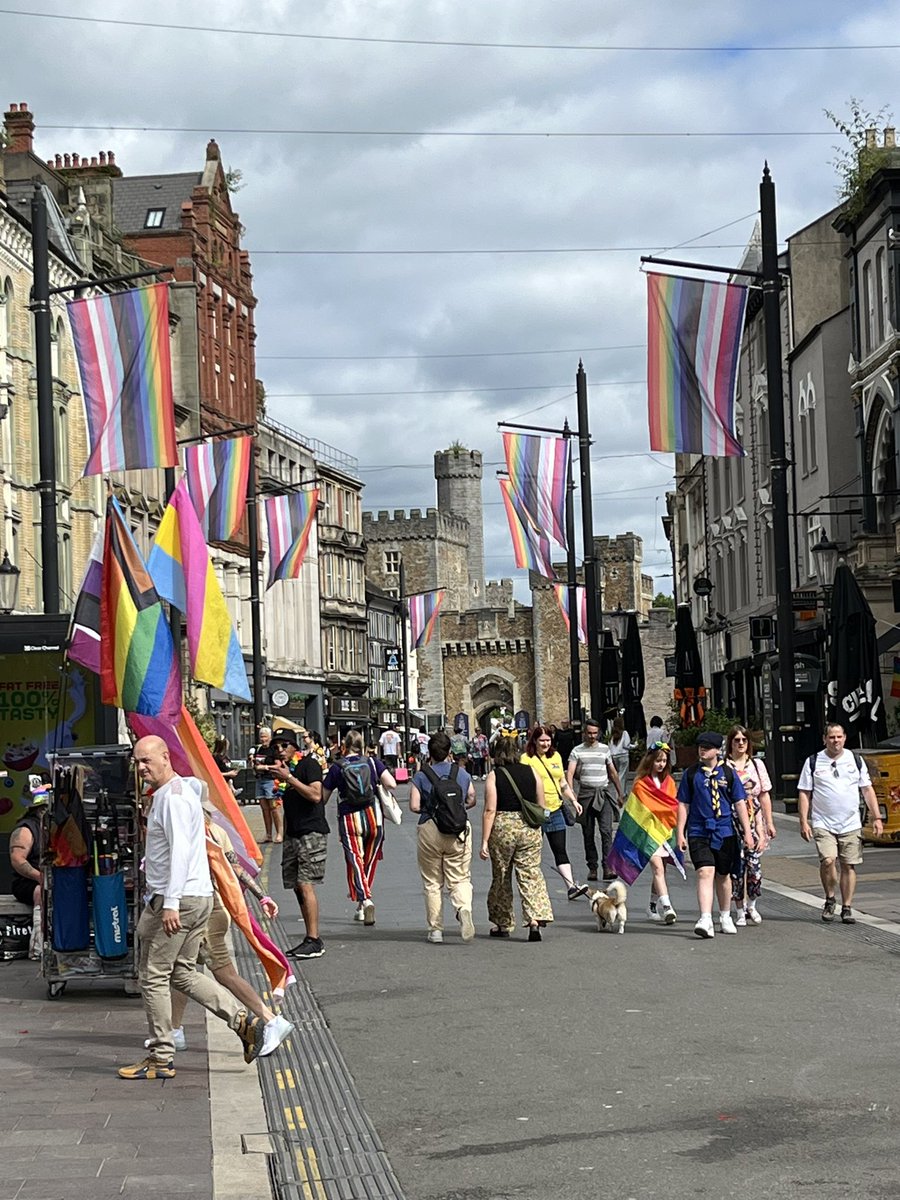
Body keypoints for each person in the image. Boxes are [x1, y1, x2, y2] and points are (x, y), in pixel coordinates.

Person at [119, 735, 263, 1080]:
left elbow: (182, 851)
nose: (141, 769)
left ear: (166, 758)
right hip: (189, 898)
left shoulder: (174, 798)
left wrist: (169, 903)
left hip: (179, 900)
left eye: (147, 761)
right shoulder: (176, 793)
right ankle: (242, 1020)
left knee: (153, 976)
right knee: (181, 971)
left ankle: (161, 1057)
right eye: (137, 762)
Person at [150, 805, 293, 1058]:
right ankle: (174, 1030)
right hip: (211, 910)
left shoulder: (195, 834)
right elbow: (236, 868)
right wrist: (262, 897)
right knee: (182, 970)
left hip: (204, 913)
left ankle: (270, 1020)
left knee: (223, 974)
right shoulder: (215, 830)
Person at [798, 722, 882, 924]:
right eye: (831, 737)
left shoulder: (855, 760)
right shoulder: (814, 761)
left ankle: (846, 907)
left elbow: (867, 790)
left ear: (844, 738)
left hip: (850, 822)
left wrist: (877, 818)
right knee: (828, 860)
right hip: (823, 821)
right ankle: (829, 898)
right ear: (824, 739)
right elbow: (804, 792)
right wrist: (804, 822)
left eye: (839, 737)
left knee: (848, 865)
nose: (835, 741)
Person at [676, 731, 754, 940]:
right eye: (700, 746)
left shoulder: (728, 774)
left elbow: (739, 803)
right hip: (698, 830)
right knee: (704, 872)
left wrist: (748, 833)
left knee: (723, 874)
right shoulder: (691, 774)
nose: (702, 750)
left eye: (707, 747)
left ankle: (725, 915)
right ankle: (705, 918)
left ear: (717, 750)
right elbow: (683, 804)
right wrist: (680, 833)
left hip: (724, 830)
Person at [480, 731, 554, 941]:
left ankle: (503, 923)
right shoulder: (532, 772)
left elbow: (490, 810)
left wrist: (484, 840)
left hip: (504, 827)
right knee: (530, 873)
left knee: (502, 875)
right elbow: (541, 805)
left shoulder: (495, 775)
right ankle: (534, 920)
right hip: (529, 828)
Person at [322, 730, 397, 927]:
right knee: (368, 862)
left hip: (349, 819)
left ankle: (365, 900)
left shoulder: (337, 767)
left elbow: (322, 797)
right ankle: (361, 907)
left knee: (355, 859)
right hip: (373, 817)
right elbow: (392, 784)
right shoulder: (372, 762)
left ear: (344, 746)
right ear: (362, 745)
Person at [409, 730, 477, 943]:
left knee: (432, 882)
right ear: (449, 751)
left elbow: (414, 806)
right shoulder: (462, 773)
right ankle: (464, 908)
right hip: (458, 830)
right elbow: (472, 797)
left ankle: (436, 930)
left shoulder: (421, 776)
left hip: (430, 828)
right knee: (460, 876)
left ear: (429, 752)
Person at [268, 732, 328, 960]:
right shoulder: (284, 772)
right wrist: (282, 834)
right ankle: (309, 937)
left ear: (294, 747)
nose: (280, 750)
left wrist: (289, 778)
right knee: (296, 885)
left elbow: (315, 795)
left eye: (285, 745)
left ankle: (314, 939)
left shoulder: (308, 765)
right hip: (294, 834)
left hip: (311, 832)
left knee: (305, 884)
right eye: (276, 747)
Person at [520, 723, 588, 901]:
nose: (545, 744)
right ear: (534, 740)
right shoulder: (526, 759)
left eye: (548, 740)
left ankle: (571, 887)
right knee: (533, 851)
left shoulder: (556, 756)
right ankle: (532, 887)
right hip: (536, 812)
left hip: (556, 809)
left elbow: (563, 783)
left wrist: (573, 801)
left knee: (560, 849)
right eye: (542, 740)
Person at [725, 725, 776, 926]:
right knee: (736, 868)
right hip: (731, 821)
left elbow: (764, 795)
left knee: (754, 868)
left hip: (755, 821)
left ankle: (752, 905)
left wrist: (768, 823)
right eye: (736, 740)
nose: (740, 744)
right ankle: (738, 909)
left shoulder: (756, 765)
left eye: (744, 740)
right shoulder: (724, 766)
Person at [566, 717, 624, 882]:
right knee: (588, 833)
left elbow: (612, 772)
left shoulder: (605, 749)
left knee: (606, 831)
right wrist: (572, 794)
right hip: (586, 795)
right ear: (585, 733)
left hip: (603, 794)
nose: (592, 736)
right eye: (589, 733)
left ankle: (607, 866)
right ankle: (592, 867)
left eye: (595, 733)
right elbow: (570, 773)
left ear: (599, 733)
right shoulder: (577, 751)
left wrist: (620, 793)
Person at [9, 799, 45, 960]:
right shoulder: (26, 828)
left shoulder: (55, 826)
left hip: (55, 878)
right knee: (40, 892)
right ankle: (38, 946)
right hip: (28, 881)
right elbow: (17, 859)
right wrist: (39, 876)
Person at [250, 727, 279, 841]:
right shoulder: (258, 750)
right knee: (264, 809)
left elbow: (278, 765)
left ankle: (279, 833)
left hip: (270, 780)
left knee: (274, 808)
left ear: (270, 737)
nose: (263, 739)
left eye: (265, 736)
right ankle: (268, 834)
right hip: (260, 779)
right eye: (261, 736)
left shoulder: (273, 750)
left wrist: (265, 767)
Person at [609, 717, 632, 796]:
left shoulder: (613, 735)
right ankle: (621, 792)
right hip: (623, 755)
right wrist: (634, 746)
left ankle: (622, 791)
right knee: (623, 775)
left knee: (618, 774)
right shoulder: (624, 733)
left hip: (614, 756)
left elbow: (610, 746)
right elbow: (626, 745)